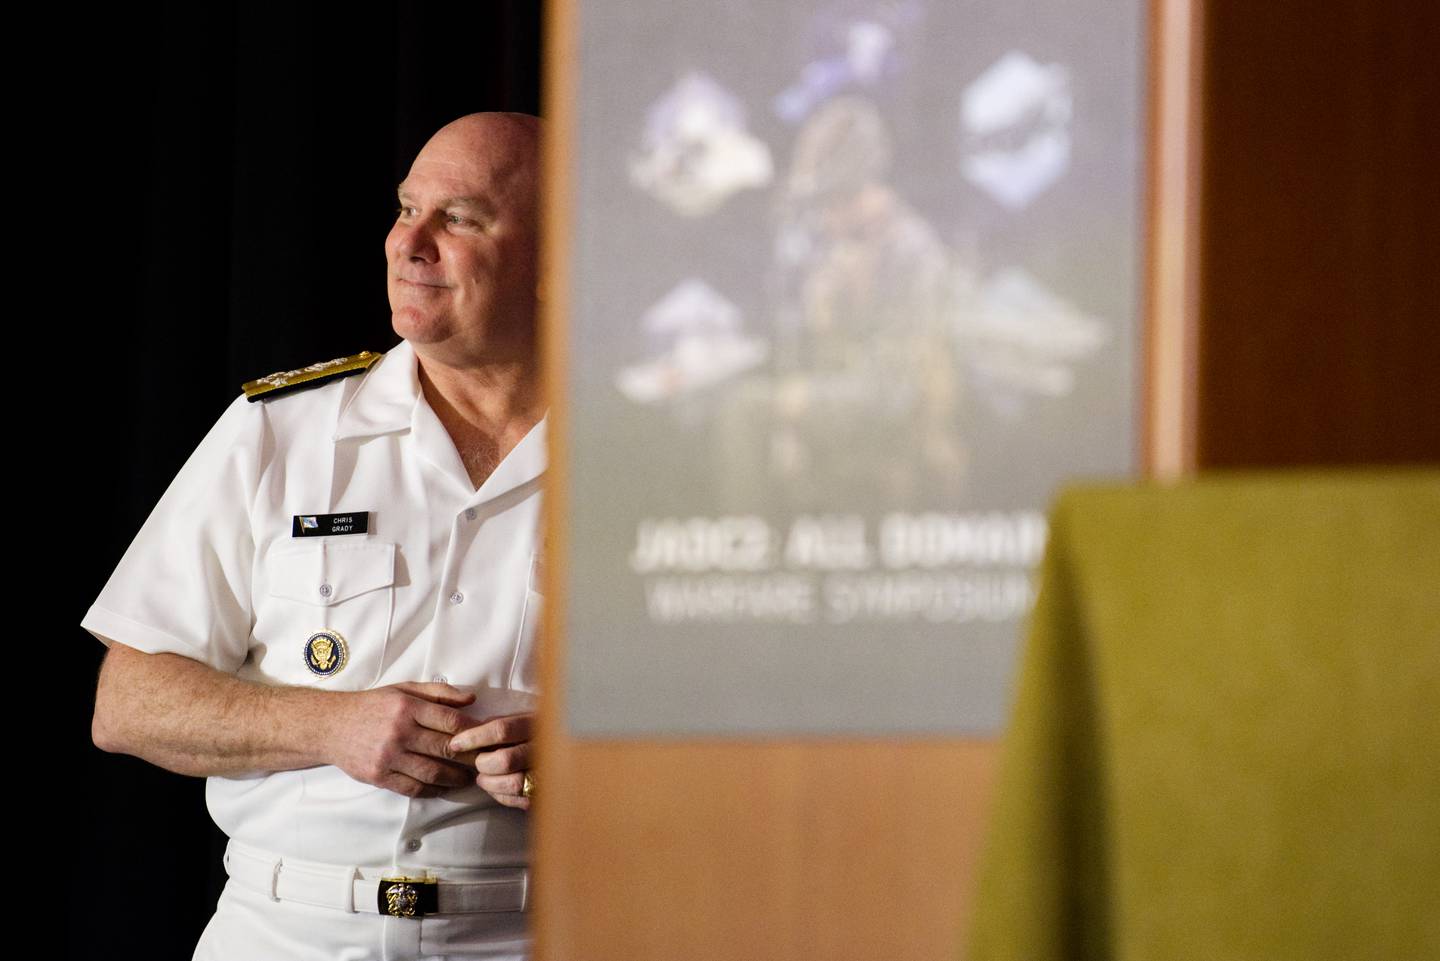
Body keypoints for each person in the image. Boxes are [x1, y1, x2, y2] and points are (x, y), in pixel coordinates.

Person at [87, 112, 546, 961]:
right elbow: (126, 701)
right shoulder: (281, 431)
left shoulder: (650, 462)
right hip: (287, 931)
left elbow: (754, 720)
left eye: (462, 218)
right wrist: (328, 726)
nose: (411, 243)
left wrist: (601, 761)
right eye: (408, 208)